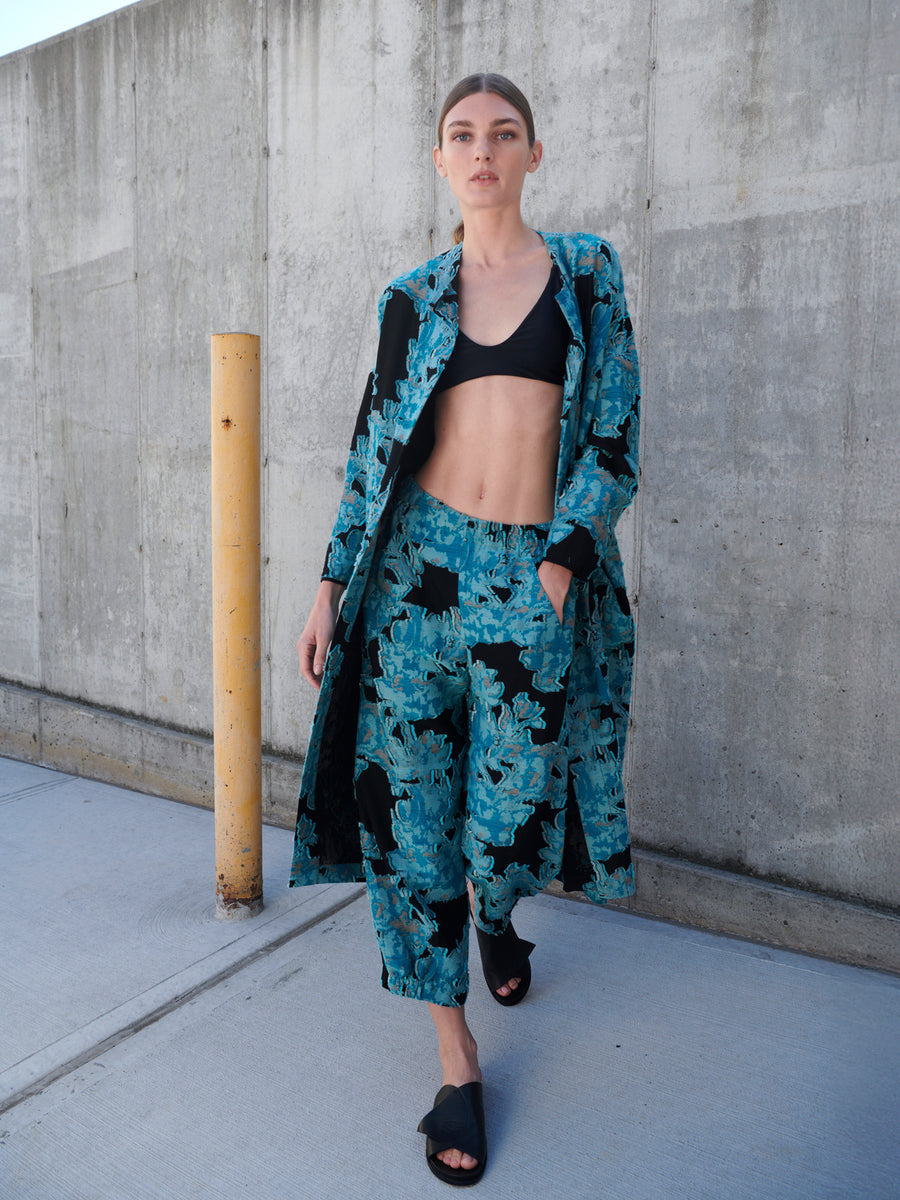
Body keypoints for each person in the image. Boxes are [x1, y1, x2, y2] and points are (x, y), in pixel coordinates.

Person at [292, 72, 640, 1185]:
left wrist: (557, 568)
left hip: (525, 581)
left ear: (534, 153)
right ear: (439, 160)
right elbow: (370, 449)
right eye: (461, 135)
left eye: (503, 134)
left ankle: (499, 913)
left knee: (507, 829)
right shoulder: (413, 294)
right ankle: (456, 1064)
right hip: (412, 584)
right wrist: (330, 585)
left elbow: (615, 436)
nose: (481, 150)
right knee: (408, 829)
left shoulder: (585, 274)